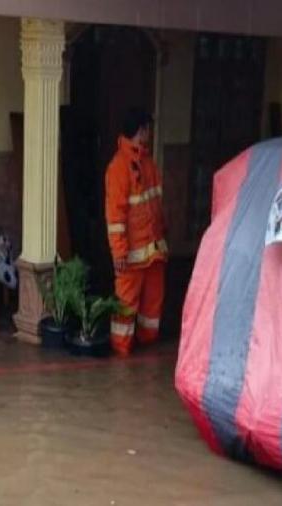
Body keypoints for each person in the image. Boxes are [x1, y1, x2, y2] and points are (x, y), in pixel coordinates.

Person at [105, 107, 168, 358]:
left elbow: (156, 205)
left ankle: (146, 343)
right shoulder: (119, 168)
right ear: (139, 130)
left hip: (154, 250)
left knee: (152, 304)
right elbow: (115, 216)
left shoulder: (148, 163)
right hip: (131, 254)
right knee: (126, 303)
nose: (149, 133)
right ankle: (121, 347)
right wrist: (119, 251)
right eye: (146, 128)